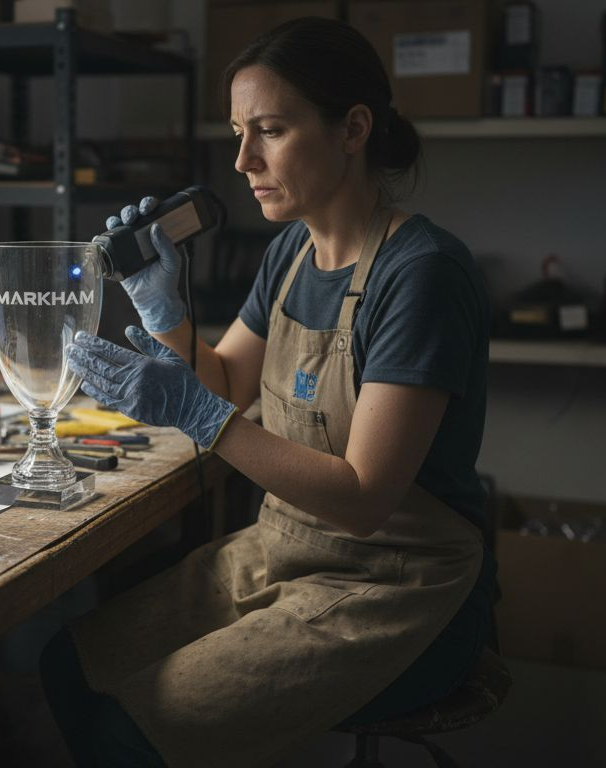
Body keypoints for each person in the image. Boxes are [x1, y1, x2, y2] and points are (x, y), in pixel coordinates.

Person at [44, 16, 498, 768]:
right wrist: (167, 314)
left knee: (134, 728)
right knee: (70, 666)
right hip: (286, 549)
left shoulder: (421, 275)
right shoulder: (291, 249)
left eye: (271, 131)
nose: (243, 160)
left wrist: (196, 415)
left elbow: (361, 498)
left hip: (400, 586)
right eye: (237, 133)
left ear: (353, 129)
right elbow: (223, 379)